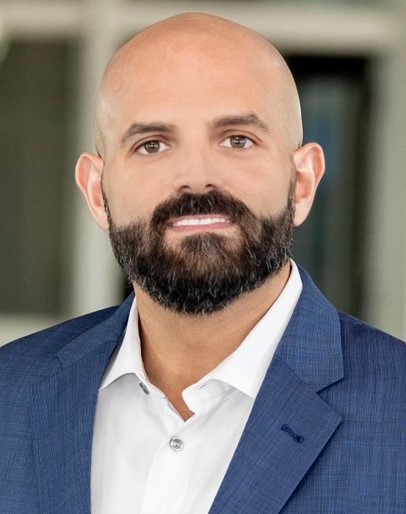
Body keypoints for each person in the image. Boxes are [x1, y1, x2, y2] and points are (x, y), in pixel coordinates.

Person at [1, 12, 406, 514]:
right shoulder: (9, 395)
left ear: (302, 182)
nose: (195, 177)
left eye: (237, 139)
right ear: (97, 193)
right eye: (152, 145)